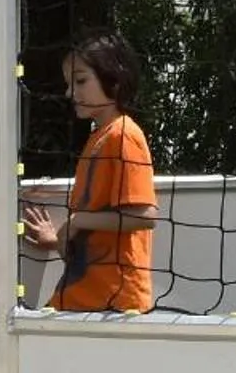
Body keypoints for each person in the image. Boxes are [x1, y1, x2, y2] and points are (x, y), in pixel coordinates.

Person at [23, 29, 158, 312]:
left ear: (115, 81)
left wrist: (76, 222)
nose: (71, 93)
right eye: (69, 84)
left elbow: (143, 217)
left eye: (81, 81)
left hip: (114, 305)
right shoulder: (99, 137)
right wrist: (56, 240)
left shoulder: (124, 135)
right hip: (83, 299)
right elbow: (93, 239)